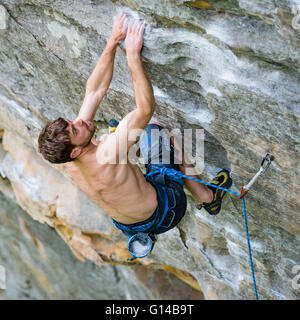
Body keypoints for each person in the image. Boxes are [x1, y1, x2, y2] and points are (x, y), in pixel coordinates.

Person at [38, 13, 232, 242]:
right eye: (75, 129)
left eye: (71, 122)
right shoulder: (108, 152)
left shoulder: (69, 160)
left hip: (132, 227)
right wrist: (132, 57)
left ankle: (135, 147)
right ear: (76, 151)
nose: (79, 121)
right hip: (167, 211)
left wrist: (112, 42)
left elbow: (94, 92)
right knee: (155, 129)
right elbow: (145, 109)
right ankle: (208, 198)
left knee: (123, 136)